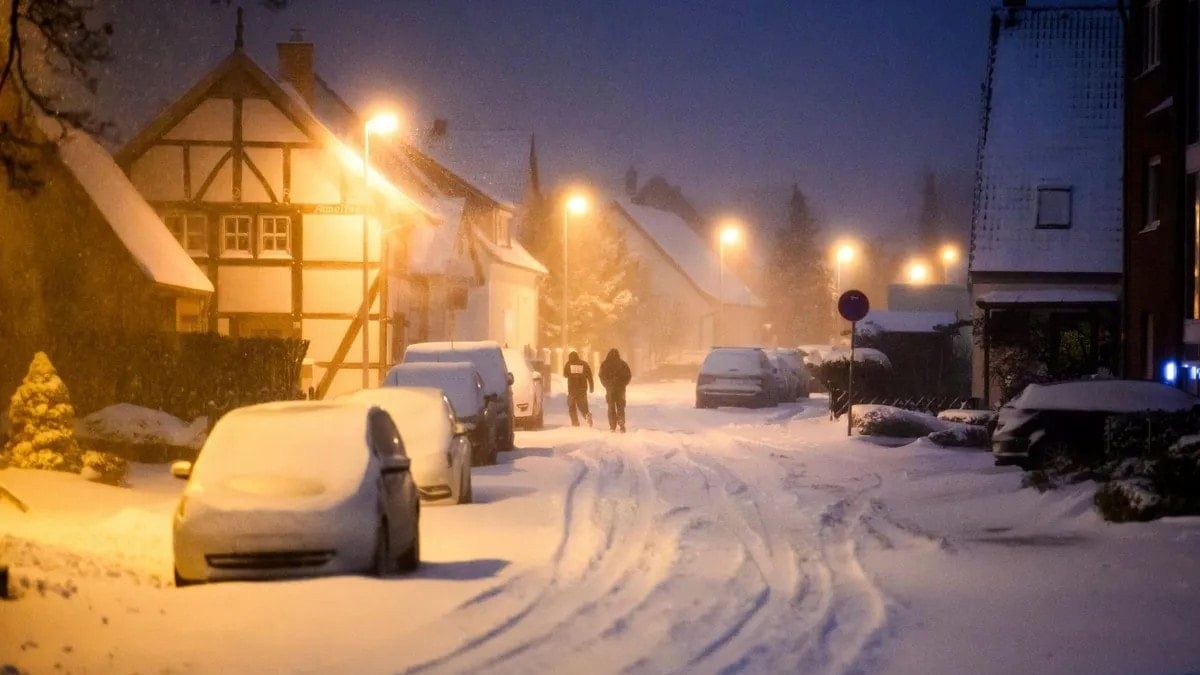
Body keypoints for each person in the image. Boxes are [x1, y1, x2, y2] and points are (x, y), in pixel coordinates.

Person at [599, 348, 632, 432]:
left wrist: (606, 385)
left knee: (611, 407)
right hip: (621, 389)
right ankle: (621, 422)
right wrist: (624, 383)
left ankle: (612, 426)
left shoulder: (605, 364)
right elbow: (628, 375)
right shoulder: (623, 364)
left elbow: (601, 376)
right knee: (621, 406)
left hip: (610, 389)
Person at [562, 351, 594, 426]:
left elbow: (565, 375)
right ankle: (586, 414)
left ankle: (575, 422)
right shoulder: (584, 364)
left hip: (572, 389)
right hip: (582, 389)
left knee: (571, 406)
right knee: (583, 406)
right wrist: (591, 387)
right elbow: (589, 376)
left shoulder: (568, 364)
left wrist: (572, 374)